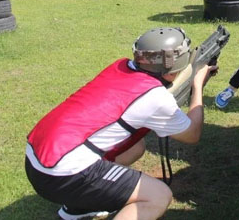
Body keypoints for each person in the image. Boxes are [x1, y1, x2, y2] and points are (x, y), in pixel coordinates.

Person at [25, 27, 218, 220]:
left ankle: (78, 207)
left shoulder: (120, 66)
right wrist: (197, 86)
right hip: (63, 173)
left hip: (37, 157)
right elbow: (192, 134)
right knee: (158, 196)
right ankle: (78, 197)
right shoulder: (154, 97)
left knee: (135, 147)